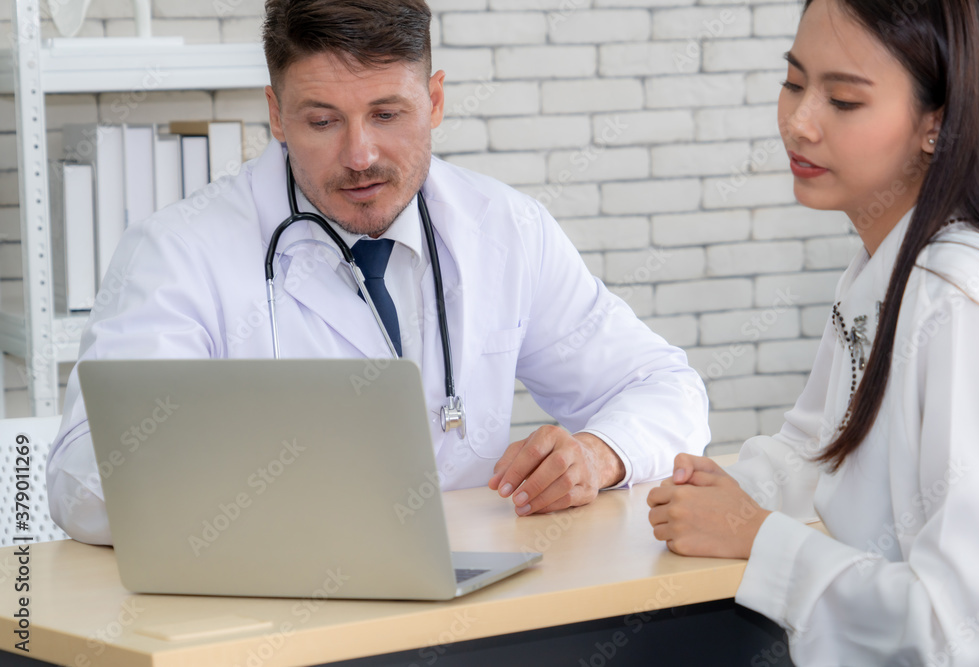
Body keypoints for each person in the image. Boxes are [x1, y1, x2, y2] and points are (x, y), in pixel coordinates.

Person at [47, 0, 710, 545]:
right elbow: (81, 479)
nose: (359, 155)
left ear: (436, 100)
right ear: (276, 115)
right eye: (322, 120)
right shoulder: (177, 253)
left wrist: (597, 455)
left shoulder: (505, 230)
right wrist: (275, 484)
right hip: (269, 613)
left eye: (388, 114)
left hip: (474, 608)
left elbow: (664, 386)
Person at [647, 0, 979, 664]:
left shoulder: (956, 302)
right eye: (794, 82)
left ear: (937, 122)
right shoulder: (881, 265)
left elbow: (962, 631)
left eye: (842, 99)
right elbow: (817, 447)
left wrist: (758, 536)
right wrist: (719, 488)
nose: (798, 123)